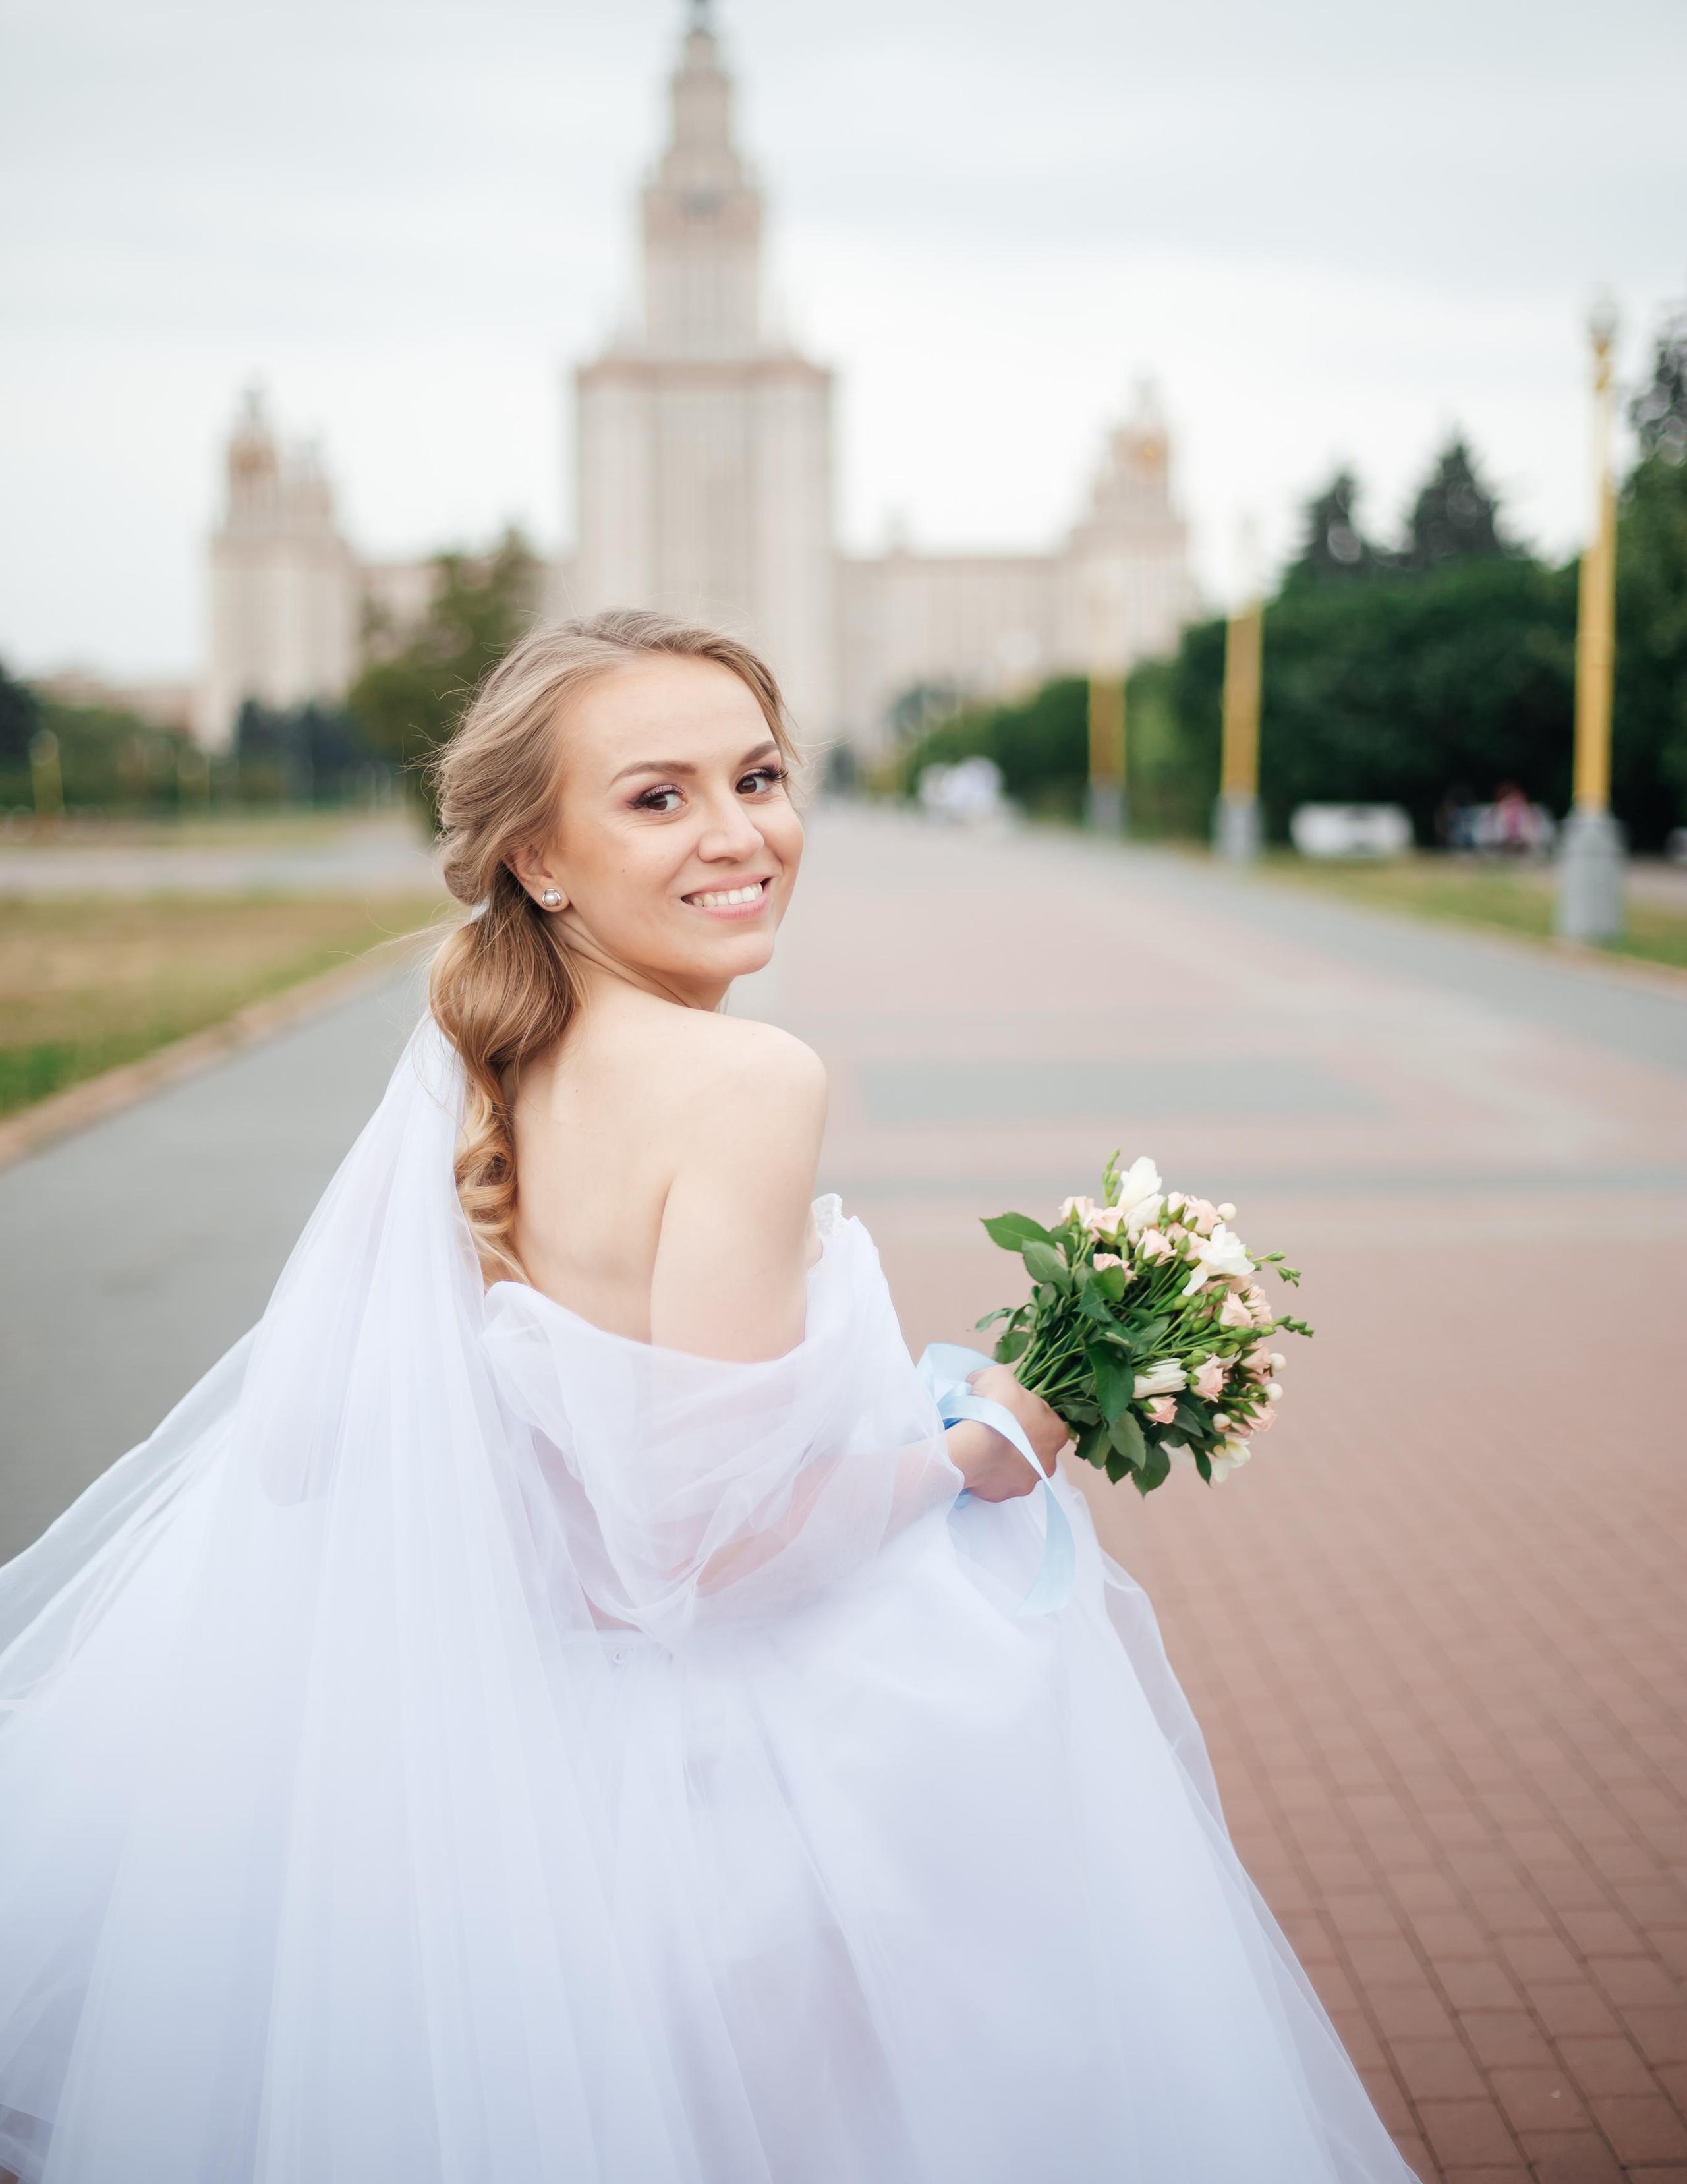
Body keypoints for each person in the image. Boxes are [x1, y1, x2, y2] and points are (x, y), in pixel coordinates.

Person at [0, 610, 1417, 2183]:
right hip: (731, 1800)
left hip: (511, 1781)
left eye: (758, 776)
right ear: (537, 858)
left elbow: (314, 1453)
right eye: (657, 798)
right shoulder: (745, 1084)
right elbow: (699, 1544)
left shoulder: (484, 1054)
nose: (739, 835)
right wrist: (978, 1447)